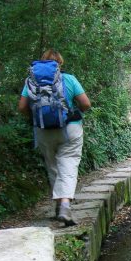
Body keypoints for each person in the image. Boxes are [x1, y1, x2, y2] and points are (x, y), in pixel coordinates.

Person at [18, 49, 91, 225]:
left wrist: (36, 118)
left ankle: (59, 206)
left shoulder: (31, 81)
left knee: (52, 165)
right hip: (70, 129)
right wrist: (73, 111)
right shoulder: (69, 79)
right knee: (68, 163)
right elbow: (86, 104)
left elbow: (21, 107)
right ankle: (65, 205)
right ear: (59, 64)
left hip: (43, 130)